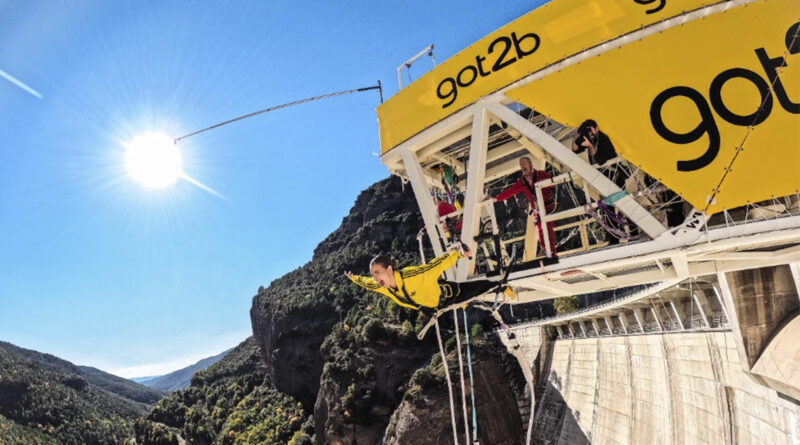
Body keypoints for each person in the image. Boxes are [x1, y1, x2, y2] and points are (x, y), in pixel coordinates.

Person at [344, 247, 515, 313]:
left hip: (447, 296)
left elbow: (435, 266)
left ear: (389, 269)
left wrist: (458, 255)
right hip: (433, 310)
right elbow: (366, 283)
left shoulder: (413, 276)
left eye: (377, 272)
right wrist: (353, 278)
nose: (375, 278)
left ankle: (502, 287)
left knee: (478, 288)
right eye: (373, 274)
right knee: (469, 303)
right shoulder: (382, 286)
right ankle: (468, 303)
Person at [492, 156, 557, 258]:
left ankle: (552, 254)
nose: (522, 165)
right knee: (540, 234)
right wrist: (496, 198)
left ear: (530, 164)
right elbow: (510, 191)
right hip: (537, 211)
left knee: (548, 231)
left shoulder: (541, 174)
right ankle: (549, 253)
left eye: (524, 163)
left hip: (547, 207)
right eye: (521, 164)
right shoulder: (522, 181)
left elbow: (553, 184)